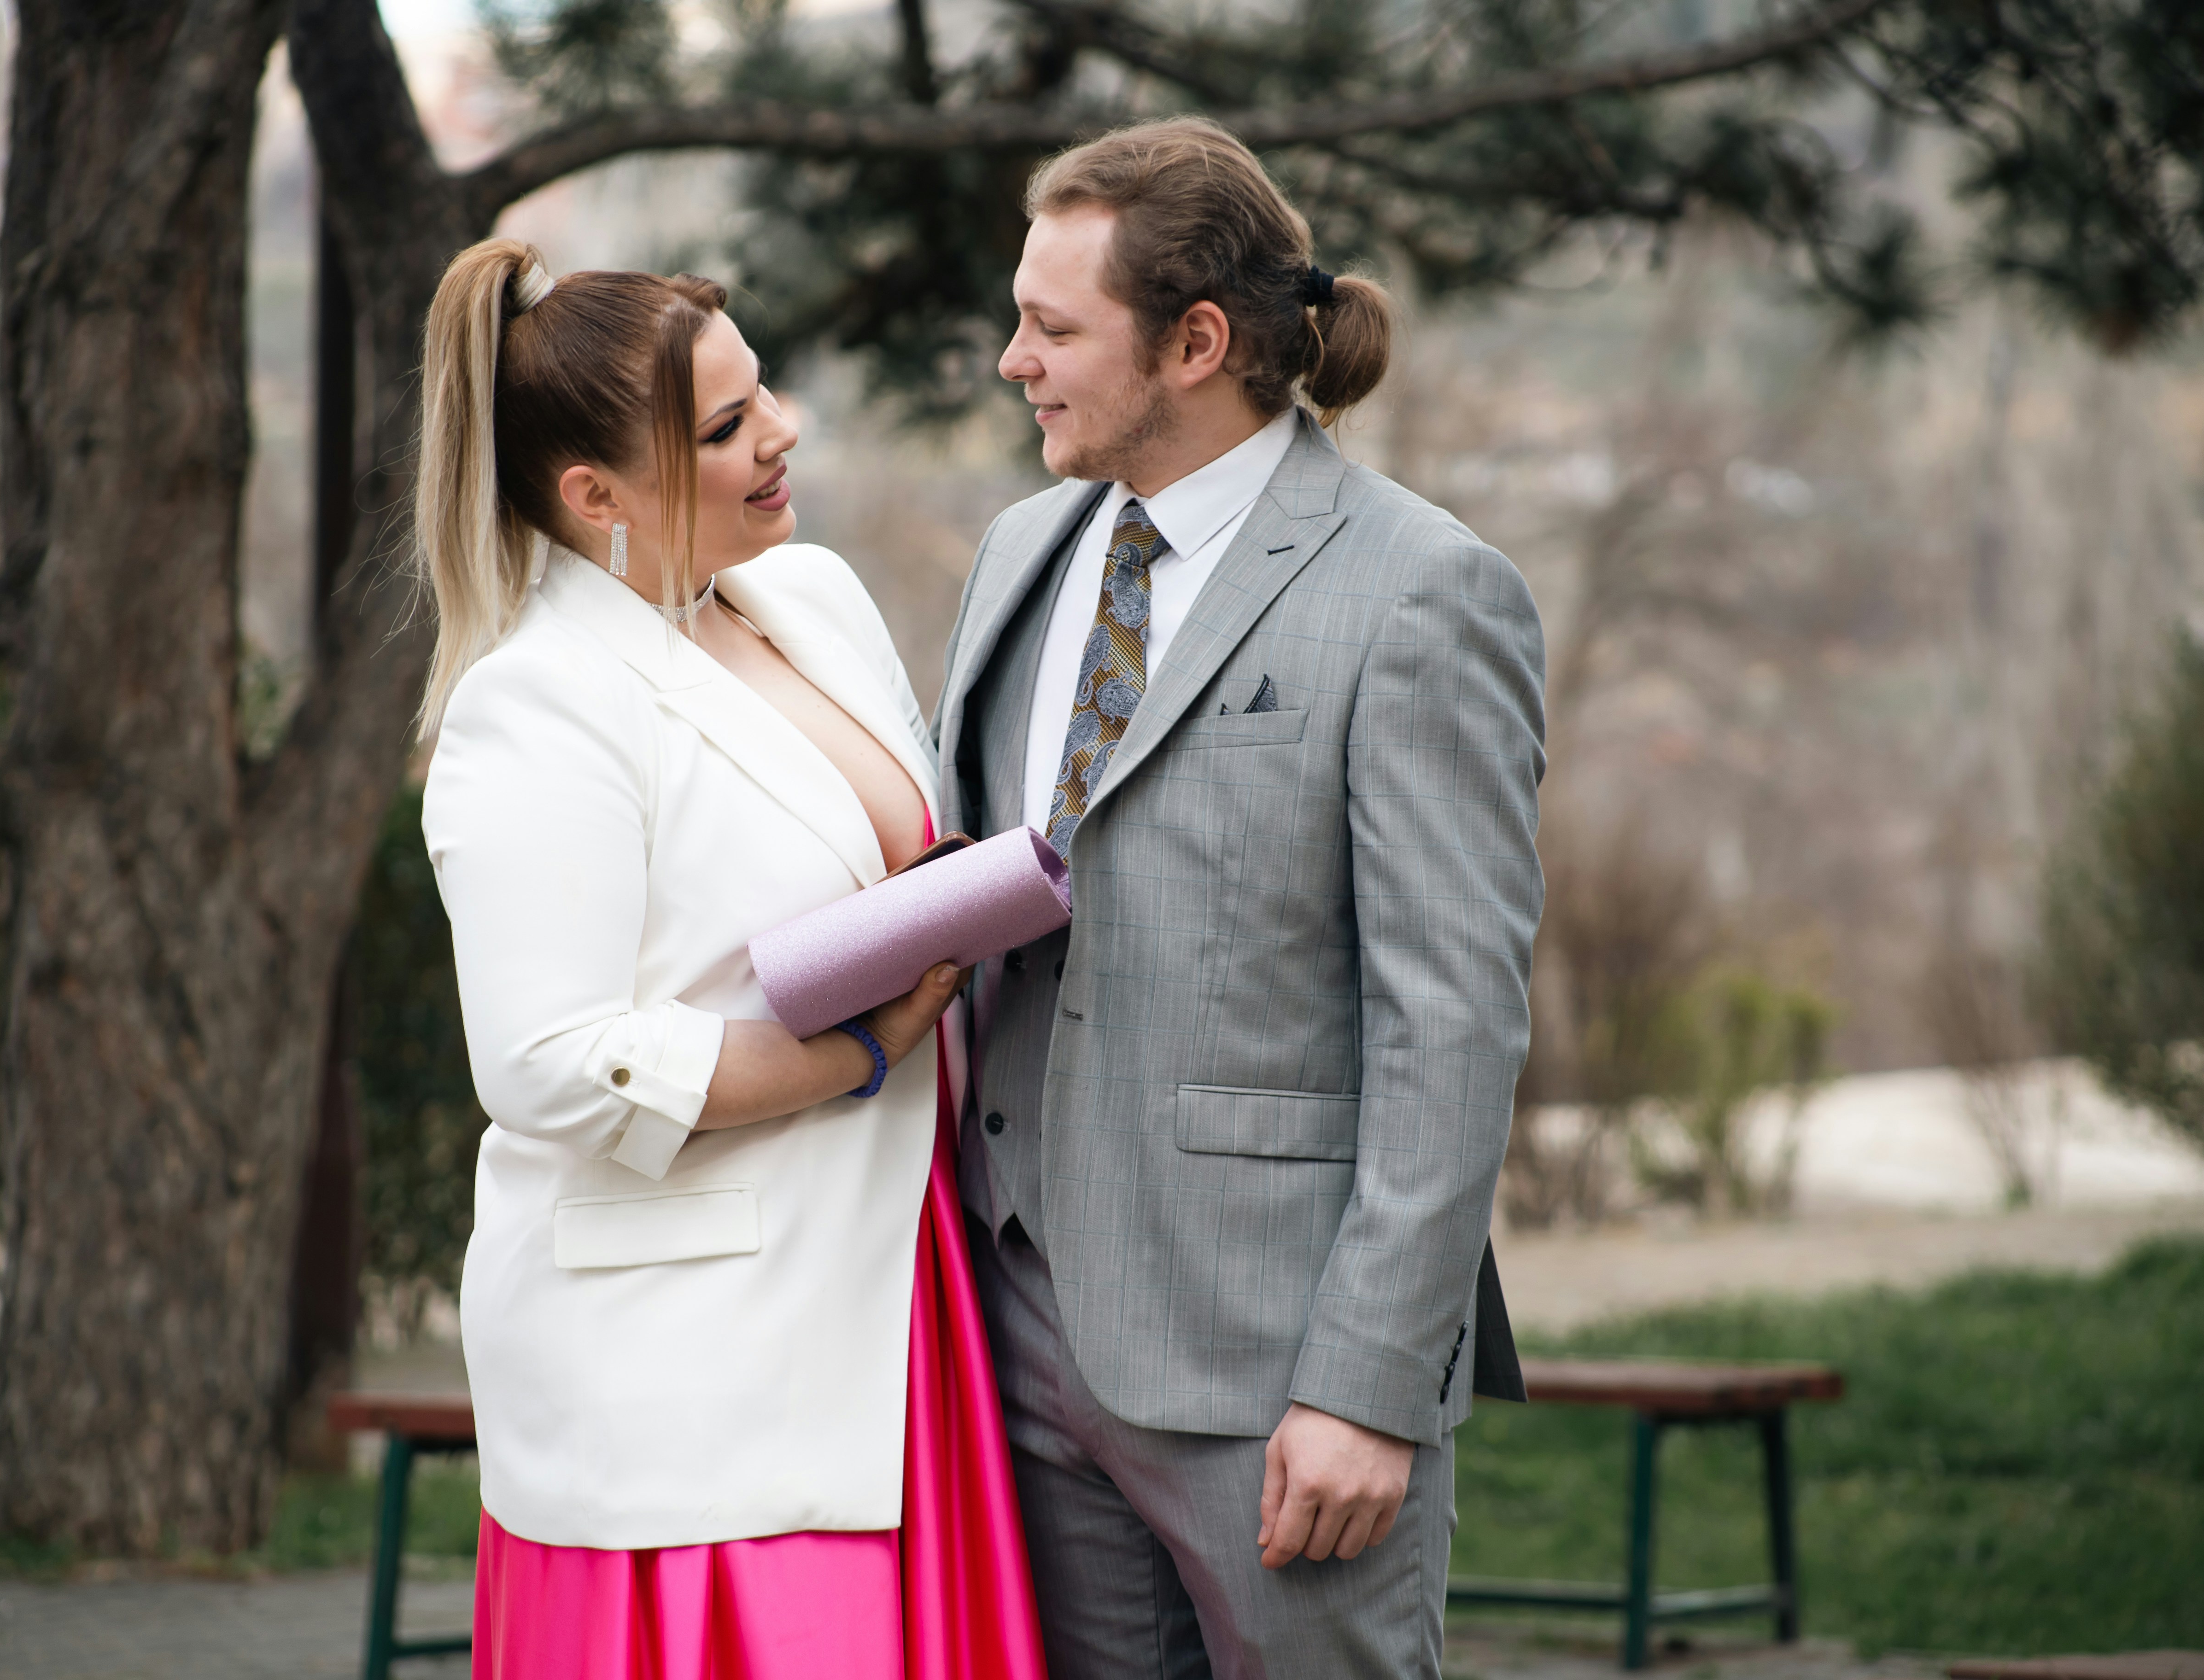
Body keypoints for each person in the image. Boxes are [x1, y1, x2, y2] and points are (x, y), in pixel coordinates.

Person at [933, 118, 1544, 1679]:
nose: (1015, 361)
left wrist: (1368, 1387)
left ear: (1197, 342)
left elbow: (1452, 1021)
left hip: (1280, 1372)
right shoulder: (1020, 550)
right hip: (1015, 1334)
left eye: (1055, 329)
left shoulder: (1423, 588)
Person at [416, 240, 1047, 1680]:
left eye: (763, 394)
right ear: (593, 496)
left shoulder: (806, 596)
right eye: (722, 429)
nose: (783, 435)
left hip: (901, 1287)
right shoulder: (538, 707)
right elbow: (551, 1066)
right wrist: (860, 1050)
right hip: (694, 1362)